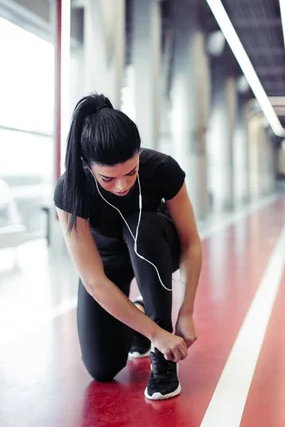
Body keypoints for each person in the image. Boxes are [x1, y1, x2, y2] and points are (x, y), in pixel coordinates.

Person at [54, 93, 202, 400]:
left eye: (130, 172)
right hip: (108, 266)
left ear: (138, 155)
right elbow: (94, 280)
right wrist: (153, 333)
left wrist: (185, 313)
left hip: (156, 248)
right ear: (88, 166)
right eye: (108, 178)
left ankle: (163, 362)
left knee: (142, 226)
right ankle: (140, 320)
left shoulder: (162, 169)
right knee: (103, 369)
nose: (121, 186)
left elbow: (190, 242)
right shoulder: (70, 190)